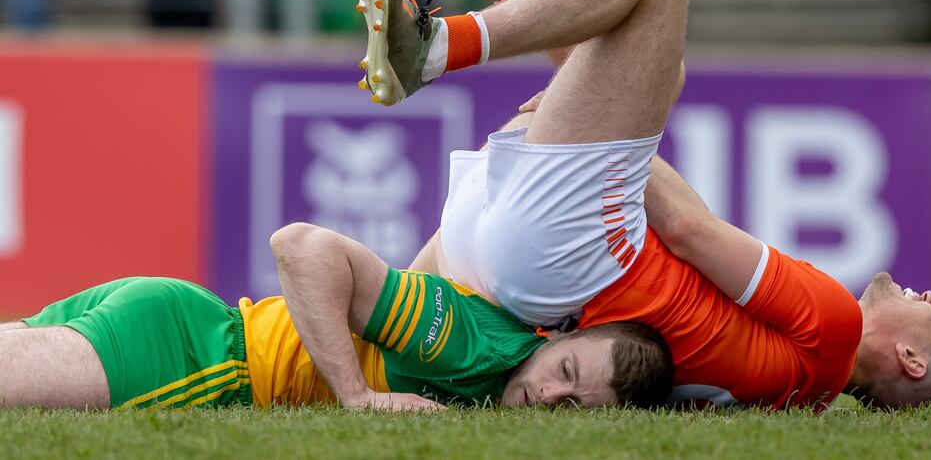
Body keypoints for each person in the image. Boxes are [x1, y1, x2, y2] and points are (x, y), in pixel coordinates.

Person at [352, 0, 931, 411]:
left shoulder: (836, 326)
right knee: (656, 70)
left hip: (573, 256)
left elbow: (686, 228)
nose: (930, 298)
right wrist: (612, 113)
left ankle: (437, 47)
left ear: (911, 360)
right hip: (510, 275)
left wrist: (615, 124)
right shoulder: (797, 394)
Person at [0, 223, 672, 411]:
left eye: (574, 404)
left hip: (180, 316)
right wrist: (359, 397)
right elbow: (302, 248)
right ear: (559, 334)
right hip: (198, 362)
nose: (550, 395)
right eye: (566, 370)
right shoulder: (479, 344)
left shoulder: (491, 360)